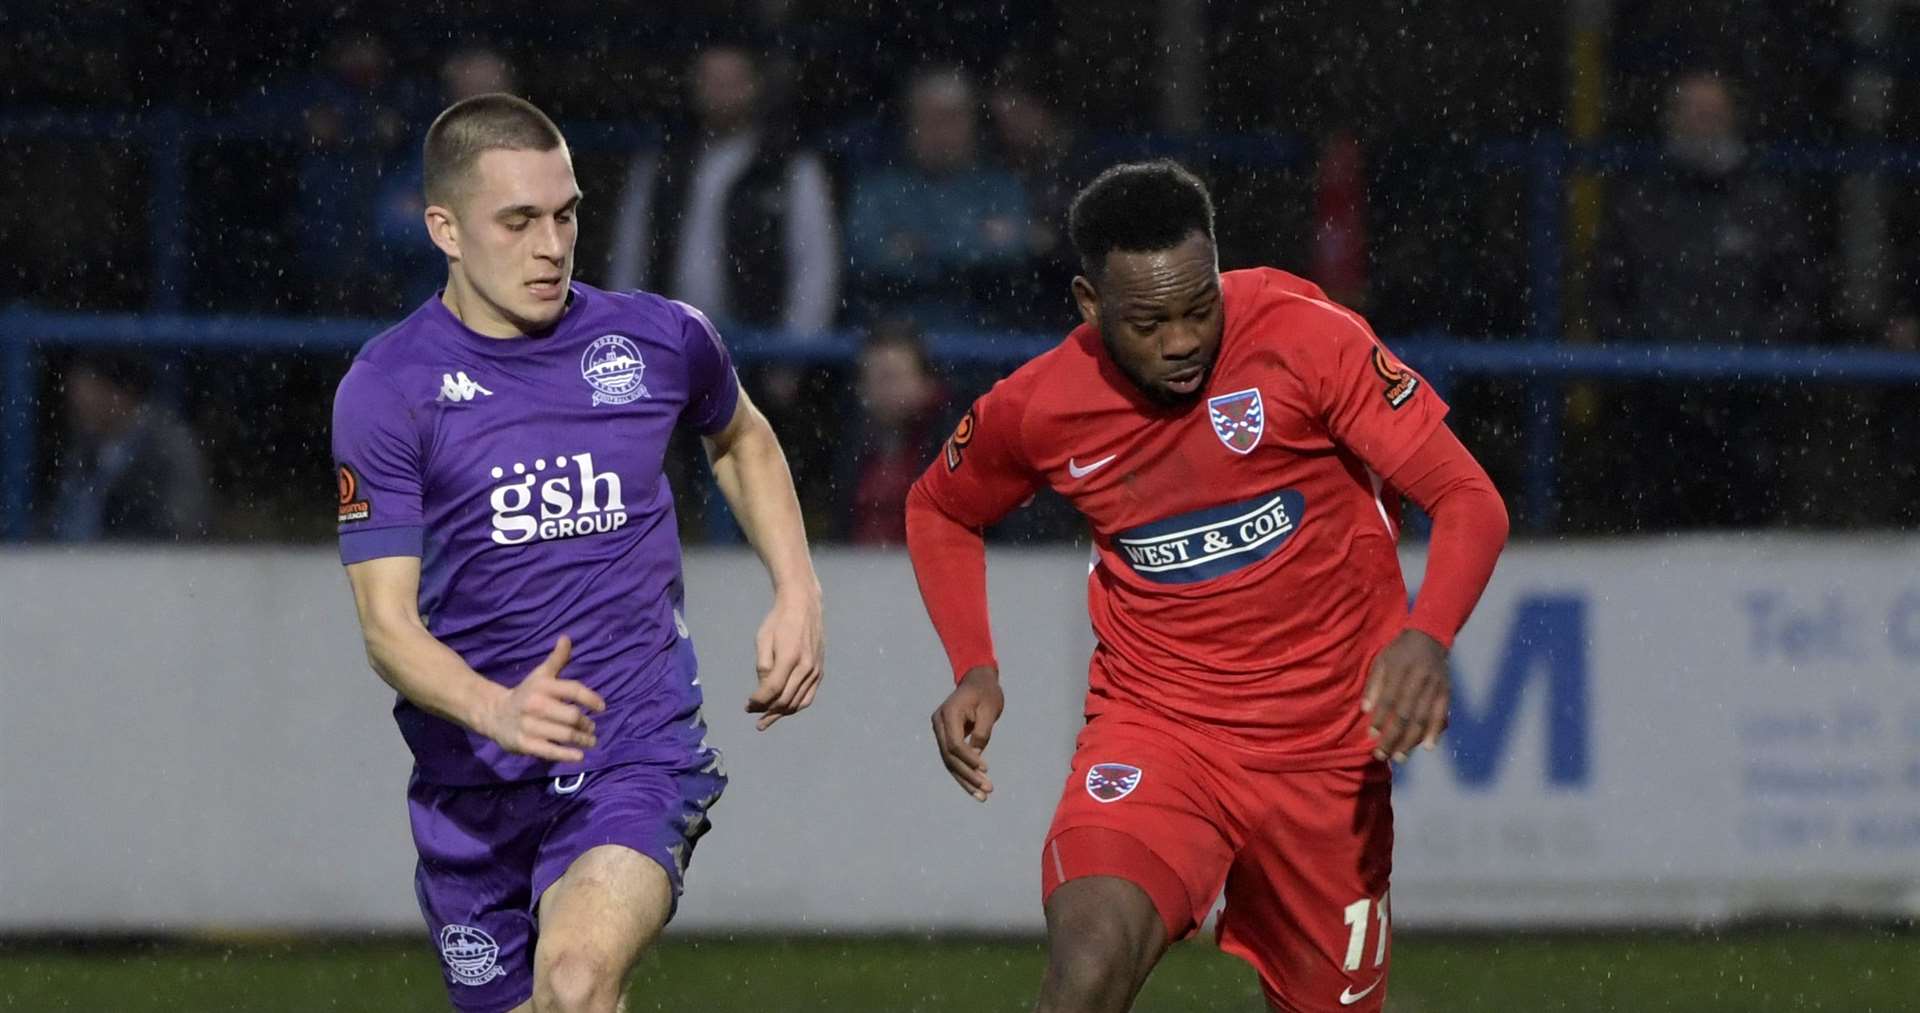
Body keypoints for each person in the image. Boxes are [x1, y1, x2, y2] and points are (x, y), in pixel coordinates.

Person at [904, 161, 1509, 1012]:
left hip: (1328, 754)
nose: (1183, 340)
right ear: (1088, 303)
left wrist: (1428, 632)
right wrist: (976, 664)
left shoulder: (1306, 335)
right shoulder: (1042, 405)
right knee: (1087, 965)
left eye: (1199, 308)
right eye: (1150, 322)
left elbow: (1470, 498)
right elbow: (937, 506)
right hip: (1160, 731)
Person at [331, 94, 824, 1013]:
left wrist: (797, 591)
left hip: (631, 748)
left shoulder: (658, 339)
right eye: (516, 221)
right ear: (444, 227)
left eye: (565, 215)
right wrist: (496, 706)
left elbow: (743, 438)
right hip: (470, 784)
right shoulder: (389, 389)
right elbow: (386, 626)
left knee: (575, 978)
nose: (551, 245)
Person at [1586, 69, 1815, 529]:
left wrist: (1751, 356)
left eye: (1712, 114)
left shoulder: (1765, 204)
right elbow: (1604, 295)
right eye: (1691, 113)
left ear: (1733, 119)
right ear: (1671, 120)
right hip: (1655, 411)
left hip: (1745, 411)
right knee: (1653, 538)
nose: (1702, 125)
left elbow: (1799, 293)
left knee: (1745, 539)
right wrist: (1645, 356)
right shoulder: (1639, 203)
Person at [605, 42, 839, 336]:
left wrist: (795, 348)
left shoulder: (789, 168)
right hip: (672, 340)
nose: (721, 92)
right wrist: (628, 331)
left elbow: (815, 266)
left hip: (759, 344)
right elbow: (629, 258)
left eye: (732, 82)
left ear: (755, 87)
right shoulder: (660, 166)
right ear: (694, 86)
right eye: (711, 81)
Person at [845, 65, 1031, 329]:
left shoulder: (1002, 188)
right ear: (909, 122)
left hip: (987, 338)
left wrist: (919, 247)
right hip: (898, 336)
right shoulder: (878, 190)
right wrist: (971, 243)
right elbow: (866, 257)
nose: (941, 131)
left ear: (973, 122)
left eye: (952, 118)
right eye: (929, 118)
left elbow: (1014, 252)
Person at [45, 352, 209, 542]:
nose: (77, 403)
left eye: (89, 392)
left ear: (122, 393)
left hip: (141, 564)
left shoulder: (170, 447)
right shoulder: (82, 447)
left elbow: (184, 522)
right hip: (68, 563)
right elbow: (57, 518)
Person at [832, 318, 949, 545]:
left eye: (893, 377)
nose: (884, 390)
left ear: (926, 383)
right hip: (854, 569)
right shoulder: (845, 444)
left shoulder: (955, 442)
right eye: (874, 379)